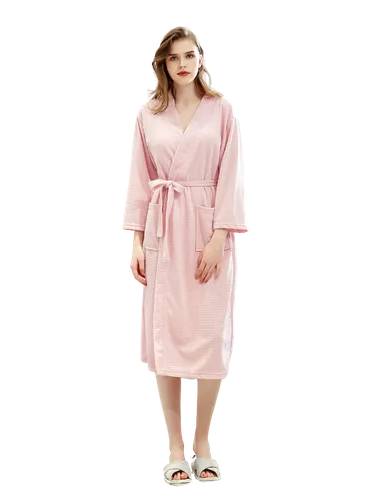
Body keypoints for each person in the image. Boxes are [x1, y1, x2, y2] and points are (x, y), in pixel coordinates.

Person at [122, 25, 249, 486]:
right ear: (162, 63)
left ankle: (203, 442)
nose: (182, 64)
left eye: (189, 55)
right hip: (162, 231)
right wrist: (136, 241)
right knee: (166, 338)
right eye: (173, 57)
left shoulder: (222, 110)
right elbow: (139, 179)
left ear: (201, 58)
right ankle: (174, 445)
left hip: (210, 232)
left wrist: (219, 236)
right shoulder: (147, 113)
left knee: (210, 338)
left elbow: (232, 175)